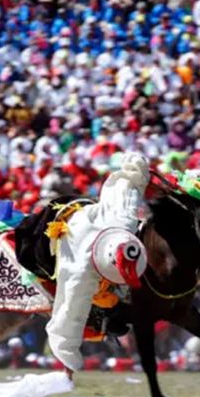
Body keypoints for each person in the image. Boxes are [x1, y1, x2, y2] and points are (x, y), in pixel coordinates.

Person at [45, 152, 151, 378]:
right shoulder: (82, 271)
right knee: (73, 302)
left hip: (102, 231)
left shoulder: (126, 220)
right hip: (71, 230)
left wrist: (136, 169)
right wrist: (68, 355)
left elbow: (130, 181)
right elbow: (69, 313)